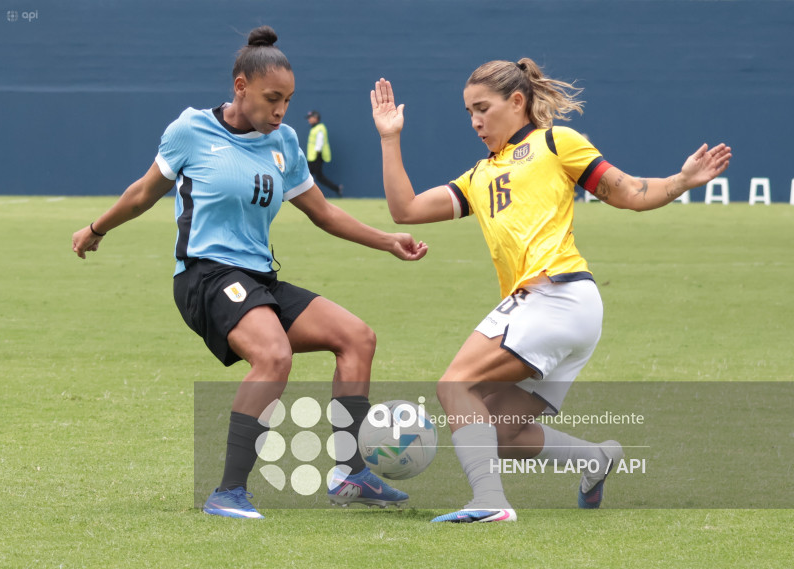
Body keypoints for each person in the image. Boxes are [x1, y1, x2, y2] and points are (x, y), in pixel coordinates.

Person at [71, 25, 428, 520]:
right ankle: (228, 492)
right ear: (241, 87)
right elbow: (141, 193)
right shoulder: (191, 131)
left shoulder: (283, 141)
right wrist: (96, 228)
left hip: (259, 279)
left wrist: (388, 241)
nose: (281, 110)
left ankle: (349, 473)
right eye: (272, 98)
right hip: (205, 276)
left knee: (357, 337)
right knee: (274, 356)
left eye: (288, 100)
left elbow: (324, 214)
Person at [370, 60, 731, 523]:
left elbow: (630, 193)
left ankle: (490, 503)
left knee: (454, 386)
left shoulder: (555, 142)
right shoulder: (479, 176)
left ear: (517, 102)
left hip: (555, 296)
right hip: (567, 313)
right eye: (468, 112)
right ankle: (594, 459)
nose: (475, 120)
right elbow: (405, 209)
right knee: (499, 432)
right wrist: (389, 137)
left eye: (483, 107)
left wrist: (681, 181)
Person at [306, 110, 343, 196]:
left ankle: (310, 195)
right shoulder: (315, 128)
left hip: (316, 157)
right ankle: (337, 188)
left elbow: (319, 142)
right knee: (317, 177)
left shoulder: (319, 128)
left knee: (310, 177)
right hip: (313, 157)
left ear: (315, 118)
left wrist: (317, 154)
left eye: (310, 118)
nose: (309, 120)